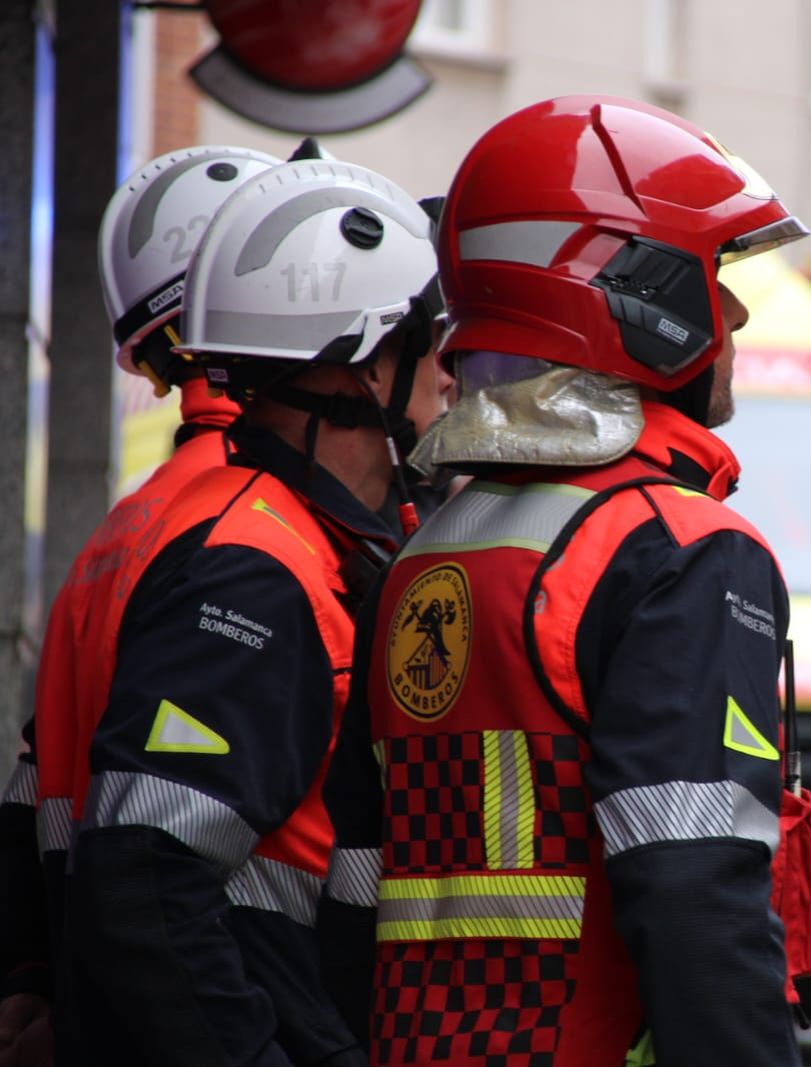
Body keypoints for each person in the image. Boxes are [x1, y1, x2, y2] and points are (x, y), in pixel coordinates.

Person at [319, 95, 811, 1067]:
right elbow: (695, 895)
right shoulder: (677, 547)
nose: (735, 312)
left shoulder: (428, 553)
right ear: (636, 291)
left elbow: (356, 886)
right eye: (714, 276)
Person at [61, 158, 453, 1067]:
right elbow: (144, 880)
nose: (451, 365)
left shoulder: (282, 538)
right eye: (427, 334)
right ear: (361, 367)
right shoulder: (255, 570)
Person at [0, 144, 281, 1067]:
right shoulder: (258, 528)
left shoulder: (126, 527)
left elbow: (28, 789)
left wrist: (32, 979)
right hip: (240, 1006)